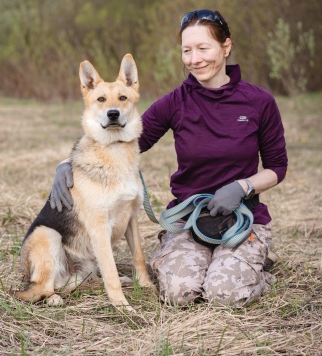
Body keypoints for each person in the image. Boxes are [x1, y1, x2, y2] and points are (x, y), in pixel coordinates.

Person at [50, 9, 288, 307]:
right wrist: (67, 164)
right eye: (187, 50)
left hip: (242, 217)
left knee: (224, 295)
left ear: (226, 47)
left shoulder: (259, 101)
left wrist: (242, 187)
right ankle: (217, 264)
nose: (194, 59)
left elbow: (278, 168)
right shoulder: (175, 102)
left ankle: (257, 270)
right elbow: (123, 135)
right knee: (178, 294)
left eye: (203, 48)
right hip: (189, 221)